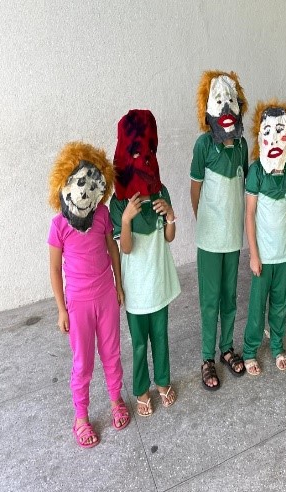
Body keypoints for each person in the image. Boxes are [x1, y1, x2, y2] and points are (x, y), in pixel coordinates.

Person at [48, 142, 129, 448]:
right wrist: (61, 309)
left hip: (106, 295)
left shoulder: (102, 213)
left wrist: (118, 285)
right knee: (83, 362)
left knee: (112, 353)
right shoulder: (59, 224)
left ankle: (116, 399)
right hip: (78, 303)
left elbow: (112, 248)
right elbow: (55, 269)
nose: (84, 191)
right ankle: (80, 416)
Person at [110, 109, 180, 416]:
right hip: (137, 288)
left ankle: (162, 382)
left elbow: (169, 237)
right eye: (135, 153)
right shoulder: (118, 202)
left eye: (148, 152)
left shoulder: (160, 192)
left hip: (159, 282)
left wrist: (170, 216)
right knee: (139, 343)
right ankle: (141, 389)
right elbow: (125, 248)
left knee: (161, 337)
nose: (142, 159)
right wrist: (126, 220)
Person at [243, 101, 286, 376]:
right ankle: (250, 350)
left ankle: (277, 345)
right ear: (260, 136)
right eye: (268, 132)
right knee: (257, 306)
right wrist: (254, 255)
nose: (273, 139)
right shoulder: (256, 172)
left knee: (281, 303)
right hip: (263, 255)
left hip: (284, 253)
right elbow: (249, 214)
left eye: (279, 131)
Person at [190, 71, 248, 390]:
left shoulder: (242, 145)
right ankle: (206, 357)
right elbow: (195, 189)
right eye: (219, 101)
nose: (226, 107)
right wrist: (205, 222)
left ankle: (226, 348)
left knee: (230, 295)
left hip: (232, 237)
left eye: (231, 100)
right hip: (210, 239)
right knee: (210, 299)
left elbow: (244, 185)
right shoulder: (203, 145)